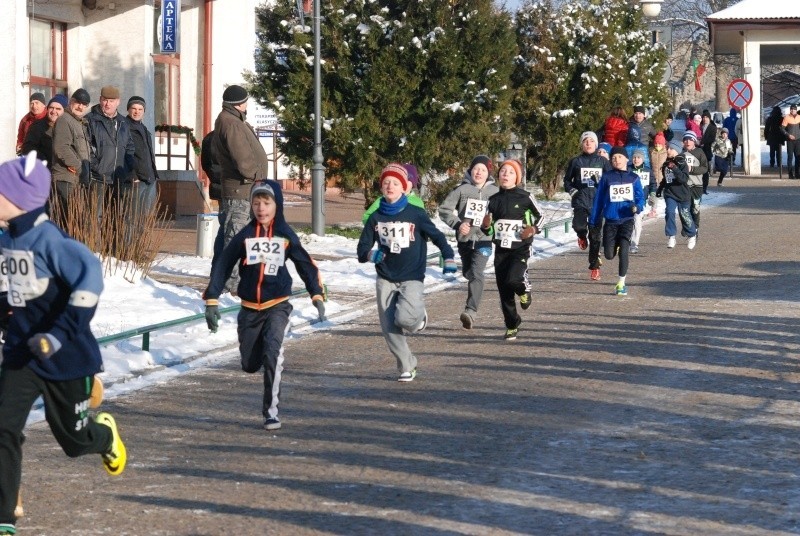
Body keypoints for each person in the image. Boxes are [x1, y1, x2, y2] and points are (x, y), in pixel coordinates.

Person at [0, 153, 126, 535]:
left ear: (19, 199)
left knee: (74, 442)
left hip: (65, 357)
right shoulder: (6, 238)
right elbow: (13, 292)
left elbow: (90, 283)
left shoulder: (51, 240)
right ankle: (4, 519)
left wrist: (56, 336)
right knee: (3, 429)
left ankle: (102, 433)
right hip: (21, 353)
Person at [203, 180, 326, 430]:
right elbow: (223, 265)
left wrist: (316, 294)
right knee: (249, 364)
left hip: (277, 304)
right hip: (249, 307)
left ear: (276, 205)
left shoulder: (285, 235)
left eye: (266, 203)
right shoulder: (245, 236)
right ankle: (258, 355)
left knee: (272, 352)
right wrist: (212, 299)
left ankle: (271, 412)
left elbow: (305, 264)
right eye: (256, 203)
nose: (261, 208)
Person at [357, 163, 457, 380]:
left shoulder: (415, 214)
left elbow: (438, 236)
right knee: (388, 325)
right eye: (386, 183)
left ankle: (418, 318)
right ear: (381, 188)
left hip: (412, 275)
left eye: (395, 183)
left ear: (404, 187)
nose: (390, 186)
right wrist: (370, 255)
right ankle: (406, 365)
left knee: (404, 319)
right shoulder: (376, 218)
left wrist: (448, 256)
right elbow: (362, 248)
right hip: (385, 276)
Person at [210, 84, 273, 291]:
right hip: (241, 189)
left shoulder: (231, 120)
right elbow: (243, 159)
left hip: (242, 189)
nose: (247, 104)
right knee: (235, 237)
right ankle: (232, 284)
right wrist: (256, 176)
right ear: (239, 104)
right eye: (246, 100)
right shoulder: (232, 124)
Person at [481, 159, 543, 341]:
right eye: (502, 171)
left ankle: (524, 290)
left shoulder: (525, 197)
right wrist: (486, 226)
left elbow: (542, 216)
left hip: (520, 249)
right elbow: (490, 228)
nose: (505, 174)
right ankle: (512, 324)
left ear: (518, 177)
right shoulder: (492, 200)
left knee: (513, 279)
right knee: (504, 291)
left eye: (510, 172)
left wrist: (532, 229)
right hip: (501, 250)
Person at [438, 155, 499, 329]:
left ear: (488, 174)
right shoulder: (461, 190)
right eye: (476, 169)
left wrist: (491, 225)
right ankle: (470, 277)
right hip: (465, 241)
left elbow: (502, 214)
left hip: (484, 240)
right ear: (470, 170)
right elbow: (444, 210)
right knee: (468, 272)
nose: (479, 172)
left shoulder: (494, 193)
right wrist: (458, 225)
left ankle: (470, 311)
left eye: (483, 170)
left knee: (477, 272)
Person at [590, 146, 645, 295]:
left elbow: (640, 198)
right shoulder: (607, 177)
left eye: (620, 157)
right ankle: (616, 246)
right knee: (608, 254)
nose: (617, 160)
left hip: (627, 219)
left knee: (625, 251)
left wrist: (637, 207)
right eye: (613, 158)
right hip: (611, 221)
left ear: (626, 159)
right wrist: (593, 220)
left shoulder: (633, 178)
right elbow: (599, 200)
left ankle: (621, 283)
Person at [563, 132, 610, 281]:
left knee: (596, 238)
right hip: (581, 201)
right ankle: (581, 236)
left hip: (597, 203)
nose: (588, 143)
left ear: (596, 144)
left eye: (591, 141)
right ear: (581, 144)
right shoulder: (576, 161)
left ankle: (594, 267)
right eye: (585, 141)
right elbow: (567, 181)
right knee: (579, 226)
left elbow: (611, 180)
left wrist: (603, 184)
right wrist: (572, 190)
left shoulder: (603, 162)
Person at [85, 85, 135, 217]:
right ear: (100, 100)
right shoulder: (90, 120)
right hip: (98, 178)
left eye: (111, 101)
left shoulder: (123, 122)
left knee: (116, 218)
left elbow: (129, 147)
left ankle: (115, 239)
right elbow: (86, 147)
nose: (107, 104)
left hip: (118, 178)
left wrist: (127, 168)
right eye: (105, 100)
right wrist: (96, 167)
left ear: (118, 102)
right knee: (95, 217)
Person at [50, 89, 92, 216]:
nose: (80, 107)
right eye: (78, 102)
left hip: (75, 179)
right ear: (71, 102)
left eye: (84, 104)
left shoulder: (79, 123)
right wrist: (80, 168)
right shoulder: (64, 120)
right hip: (66, 178)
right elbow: (61, 148)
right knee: (68, 220)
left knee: (74, 220)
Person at [656, 140, 697, 249]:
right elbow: (666, 179)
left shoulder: (682, 162)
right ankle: (671, 236)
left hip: (683, 194)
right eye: (667, 148)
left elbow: (683, 179)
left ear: (676, 150)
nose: (667, 150)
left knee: (685, 215)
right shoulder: (666, 163)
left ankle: (692, 234)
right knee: (669, 212)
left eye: (670, 148)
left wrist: (674, 168)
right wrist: (660, 188)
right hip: (670, 194)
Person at [123, 96, 160, 218]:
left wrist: (153, 175)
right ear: (128, 109)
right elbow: (123, 154)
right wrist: (132, 175)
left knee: (142, 218)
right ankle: (130, 238)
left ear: (144, 111)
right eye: (133, 108)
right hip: (135, 180)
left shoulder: (143, 128)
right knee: (131, 218)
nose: (136, 112)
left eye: (140, 109)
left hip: (148, 178)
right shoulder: (124, 127)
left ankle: (139, 238)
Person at [20, 94, 68, 167]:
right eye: (51, 108)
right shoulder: (37, 126)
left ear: (64, 111)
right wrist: (44, 161)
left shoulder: (69, 127)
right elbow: (28, 148)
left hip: (65, 173)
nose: (53, 111)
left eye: (58, 109)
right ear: (47, 109)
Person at [627, 149, 655, 254]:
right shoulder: (628, 169)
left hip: (640, 201)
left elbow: (653, 184)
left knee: (637, 221)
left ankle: (634, 243)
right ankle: (625, 241)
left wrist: (652, 194)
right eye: (634, 157)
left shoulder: (647, 170)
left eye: (638, 157)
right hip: (627, 200)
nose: (636, 159)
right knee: (628, 221)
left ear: (642, 159)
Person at [681, 131, 707, 234]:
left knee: (695, 208)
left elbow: (705, 168)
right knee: (685, 208)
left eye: (690, 140)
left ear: (694, 141)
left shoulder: (699, 152)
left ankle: (695, 227)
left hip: (697, 185)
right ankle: (687, 226)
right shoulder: (681, 153)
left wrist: (692, 169)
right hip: (685, 185)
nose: (688, 142)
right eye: (685, 140)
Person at [649, 132, 668, 214]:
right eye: (656, 144)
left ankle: (662, 207)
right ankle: (654, 208)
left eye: (659, 145)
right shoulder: (652, 152)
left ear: (663, 145)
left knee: (661, 192)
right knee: (654, 192)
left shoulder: (666, 153)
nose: (657, 146)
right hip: (654, 175)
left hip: (662, 176)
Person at [780, 103, 800, 179]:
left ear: (796, 110)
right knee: (790, 157)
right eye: (791, 109)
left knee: (798, 158)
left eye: (794, 109)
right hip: (790, 140)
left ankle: (797, 174)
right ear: (790, 110)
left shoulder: (799, 117)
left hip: (798, 140)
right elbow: (782, 129)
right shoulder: (787, 117)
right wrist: (788, 135)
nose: (793, 110)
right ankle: (790, 174)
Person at [699, 110, 717, 194]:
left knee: (705, 170)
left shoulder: (712, 127)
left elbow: (712, 138)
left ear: (709, 118)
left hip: (707, 150)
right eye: (703, 117)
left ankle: (704, 188)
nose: (705, 119)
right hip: (698, 150)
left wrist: (702, 142)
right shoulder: (700, 126)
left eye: (706, 117)